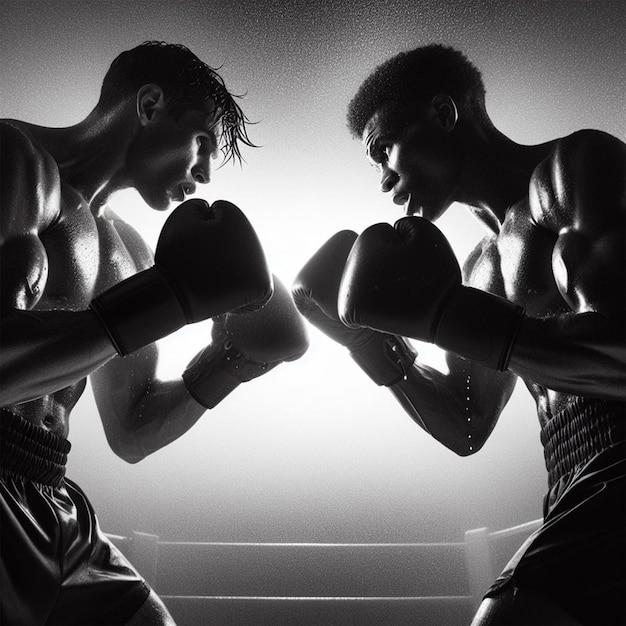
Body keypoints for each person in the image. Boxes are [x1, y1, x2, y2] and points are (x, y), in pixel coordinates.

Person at [293, 44, 625, 625]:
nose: (385, 182)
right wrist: (368, 343)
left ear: (444, 114)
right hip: (574, 488)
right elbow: (465, 422)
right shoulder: (479, 269)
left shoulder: (574, 167)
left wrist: (447, 314)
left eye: (384, 153)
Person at [0, 41, 308, 625]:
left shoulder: (130, 254)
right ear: (148, 105)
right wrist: (169, 300)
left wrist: (231, 363)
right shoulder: (15, 161)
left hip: (54, 496)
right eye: (203, 142)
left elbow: (133, 430)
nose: (206, 172)